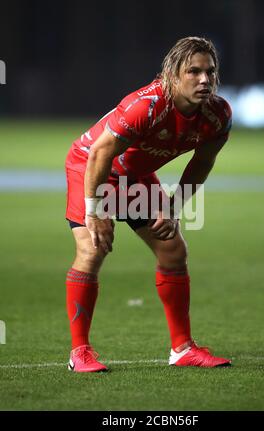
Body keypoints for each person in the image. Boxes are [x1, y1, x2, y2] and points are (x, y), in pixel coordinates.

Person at [65, 36, 232, 372]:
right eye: (194, 72)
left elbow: (201, 164)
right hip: (92, 167)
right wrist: (95, 210)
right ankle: (79, 352)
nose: (204, 80)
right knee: (92, 250)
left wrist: (173, 208)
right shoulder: (148, 105)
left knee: (173, 250)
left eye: (210, 72)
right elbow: (100, 152)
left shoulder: (217, 115)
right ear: (172, 74)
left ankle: (182, 349)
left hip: (135, 176)